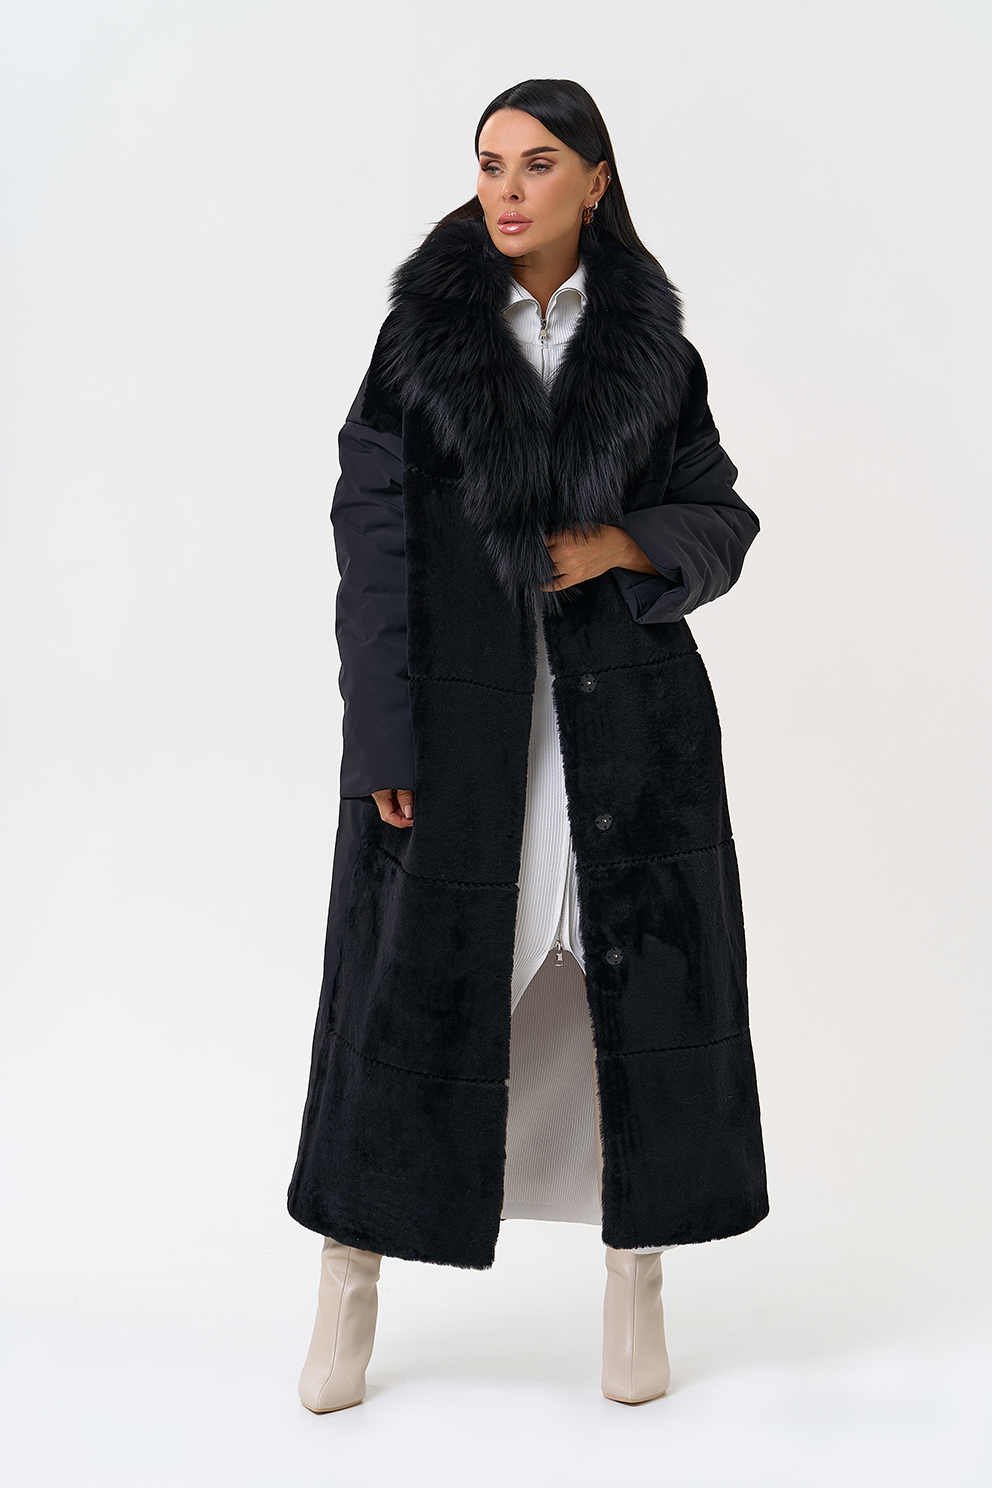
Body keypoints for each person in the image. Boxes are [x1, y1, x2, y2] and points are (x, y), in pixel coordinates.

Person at [287, 77, 769, 1411]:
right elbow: (370, 537)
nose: (506, 189)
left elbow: (721, 515)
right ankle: (347, 1280)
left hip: (626, 735)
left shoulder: (653, 349)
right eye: (491, 163)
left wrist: (624, 543)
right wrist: (384, 736)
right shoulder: (421, 342)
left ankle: (636, 1280)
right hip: (458, 734)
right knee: (406, 999)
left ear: (595, 182)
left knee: (634, 999)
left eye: (538, 163)